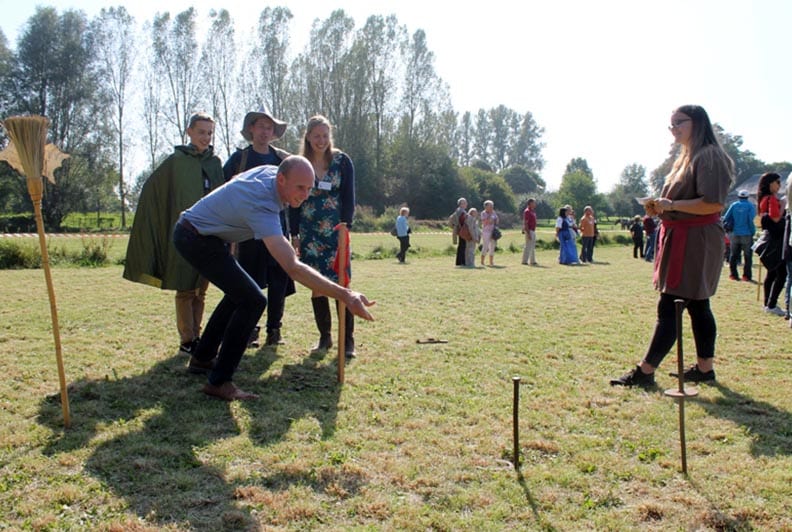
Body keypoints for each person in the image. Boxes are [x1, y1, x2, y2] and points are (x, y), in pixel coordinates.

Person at [173, 157, 375, 401]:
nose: (305, 195)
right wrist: (345, 295)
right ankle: (219, 381)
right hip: (194, 238)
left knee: (241, 295)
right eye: (300, 188)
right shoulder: (263, 203)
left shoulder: (272, 173)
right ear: (281, 179)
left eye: (309, 188)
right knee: (253, 301)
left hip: (205, 235)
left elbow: (237, 180)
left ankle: (203, 358)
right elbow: (293, 267)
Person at [611, 104, 734, 387]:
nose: (674, 129)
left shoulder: (709, 156)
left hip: (695, 240)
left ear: (697, 123)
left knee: (671, 306)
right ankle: (704, 369)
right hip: (683, 236)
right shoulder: (686, 157)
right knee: (698, 305)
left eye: (679, 122)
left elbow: (712, 203)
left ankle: (645, 371)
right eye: (671, 124)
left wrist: (672, 205)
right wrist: (662, 207)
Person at [124, 112, 224, 356]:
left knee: (201, 290)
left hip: (210, 234)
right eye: (201, 132)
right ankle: (187, 340)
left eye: (209, 133)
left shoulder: (214, 163)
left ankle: (198, 336)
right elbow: (154, 189)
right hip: (186, 233)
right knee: (185, 288)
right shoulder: (176, 162)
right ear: (189, 132)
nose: (206, 137)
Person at [223, 108, 294, 347]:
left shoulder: (282, 160)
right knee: (248, 282)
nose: (265, 131)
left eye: (269, 127)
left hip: (277, 228)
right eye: (261, 126)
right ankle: (249, 330)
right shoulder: (239, 159)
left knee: (278, 281)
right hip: (247, 232)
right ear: (251, 129)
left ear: (273, 132)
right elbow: (224, 191)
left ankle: (274, 330)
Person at [289, 115, 358, 357]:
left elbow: (349, 197)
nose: (321, 140)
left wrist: (346, 226)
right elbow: (293, 202)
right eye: (316, 136)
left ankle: (347, 341)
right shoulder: (300, 164)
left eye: (325, 136)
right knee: (317, 285)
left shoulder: (342, 162)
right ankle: (325, 338)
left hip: (336, 233)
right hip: (309, 234)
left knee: (342, 283)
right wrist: (294, 234)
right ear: (308, 137)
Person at [754, 172, 786, 316]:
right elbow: (776, 218)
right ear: (770, 183)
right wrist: (783, 204)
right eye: (777, 182)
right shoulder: (771, 199)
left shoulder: (763, 198)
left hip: (768, 240)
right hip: (775, 241)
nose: (780, 185)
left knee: (772, 273)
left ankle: (768, 303)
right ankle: (771, 304)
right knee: (781, 274)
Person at [722, 189, 756, 281]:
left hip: (734, 233)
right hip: (746, 233)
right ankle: (746, 276)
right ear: (747, 197)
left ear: (739, 196)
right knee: (747, 256)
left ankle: (733, 275)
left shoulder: (734, 205)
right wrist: (752, 231)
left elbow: (726, 218)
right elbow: (750, 220)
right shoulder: (750, 206)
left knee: (733, 255)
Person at [450, 198, 468, 266]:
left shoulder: (459, 210)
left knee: (461, 245)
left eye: (466, 202)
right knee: (462, 246)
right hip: (462, 230)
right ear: (460, 204)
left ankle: (460, 262)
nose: (466, 204)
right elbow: (462, 220)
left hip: (460, 230)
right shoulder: (461, 211)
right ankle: (462, 262)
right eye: (464, 203)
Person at [480, 200, 498, 266]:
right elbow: (485, 222)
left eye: (492, 206)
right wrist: (490, 216)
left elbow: (497, 221)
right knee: (485, 246)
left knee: (492, 246)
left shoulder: (494, 212)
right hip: (486, 232)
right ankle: (482, 262)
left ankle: (491, 262)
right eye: (490, 206)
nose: (491, 207)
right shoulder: (483, 213)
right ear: (486, 206)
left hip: (493, 231)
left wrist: (494, 220)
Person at [521, 198, 538, 266]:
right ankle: (524, 261)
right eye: (534, 203)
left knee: (532, 246)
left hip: (533, 230)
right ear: (530, 203)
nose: (535, 204)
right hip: (529, 230)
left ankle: (532, 260)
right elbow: (526, 223)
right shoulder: (527, 211)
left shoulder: (532, 211)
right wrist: (528, 233)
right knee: (528, 245)